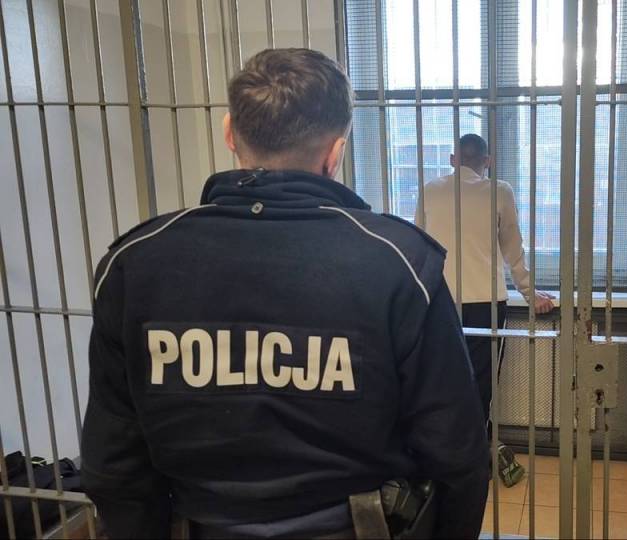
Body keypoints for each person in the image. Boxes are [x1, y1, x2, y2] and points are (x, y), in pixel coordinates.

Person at [80, 48, 488, 539]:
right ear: (335, 154)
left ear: (229, 133)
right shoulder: (399, 265)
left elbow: (113, 466)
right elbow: (456, 453)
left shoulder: (134, 264)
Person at [416, 135, 555, 482]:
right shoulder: (499, 191)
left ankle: (441, 461)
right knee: (480, 383)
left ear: (453, 159)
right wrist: (529, 291)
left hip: (439, 299)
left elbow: (418, 243)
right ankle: (474, 461)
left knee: (441, 379)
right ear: (487, 161)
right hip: (485, 301)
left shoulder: (430, 190)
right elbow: (513, 248)